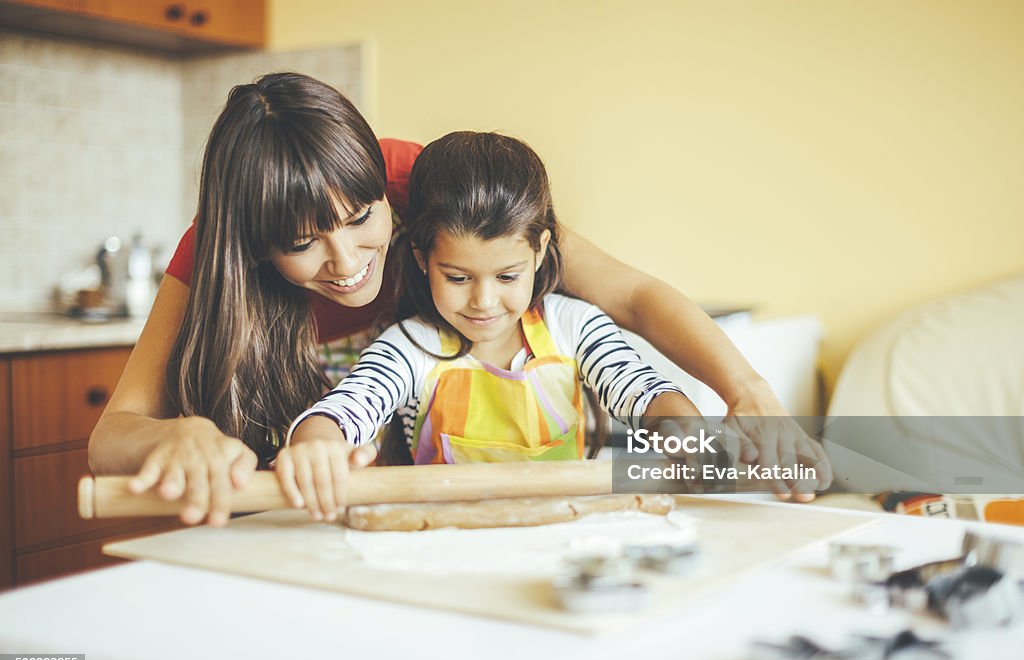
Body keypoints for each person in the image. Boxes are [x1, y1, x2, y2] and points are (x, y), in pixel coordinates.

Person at [88, 72, 829, 527]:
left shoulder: (428, 187)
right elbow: (114, 431)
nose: (347, 264)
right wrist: (172, 435)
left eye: (360, 221)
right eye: (303, 244)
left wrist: (743, 391)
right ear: (250, 243)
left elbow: (630, 297)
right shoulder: (212, 255)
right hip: (308, 506)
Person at [275, 132, 703, 519]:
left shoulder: (574, 326)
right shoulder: (411, 346)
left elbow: (642, 391)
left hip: (565, 536)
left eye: (507, 276)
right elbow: (349, 407)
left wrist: (688, 434)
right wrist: (317, 445)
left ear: (539, 251)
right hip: (442, 544)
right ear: (423, 261)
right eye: (458, 278)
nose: (483, 301)